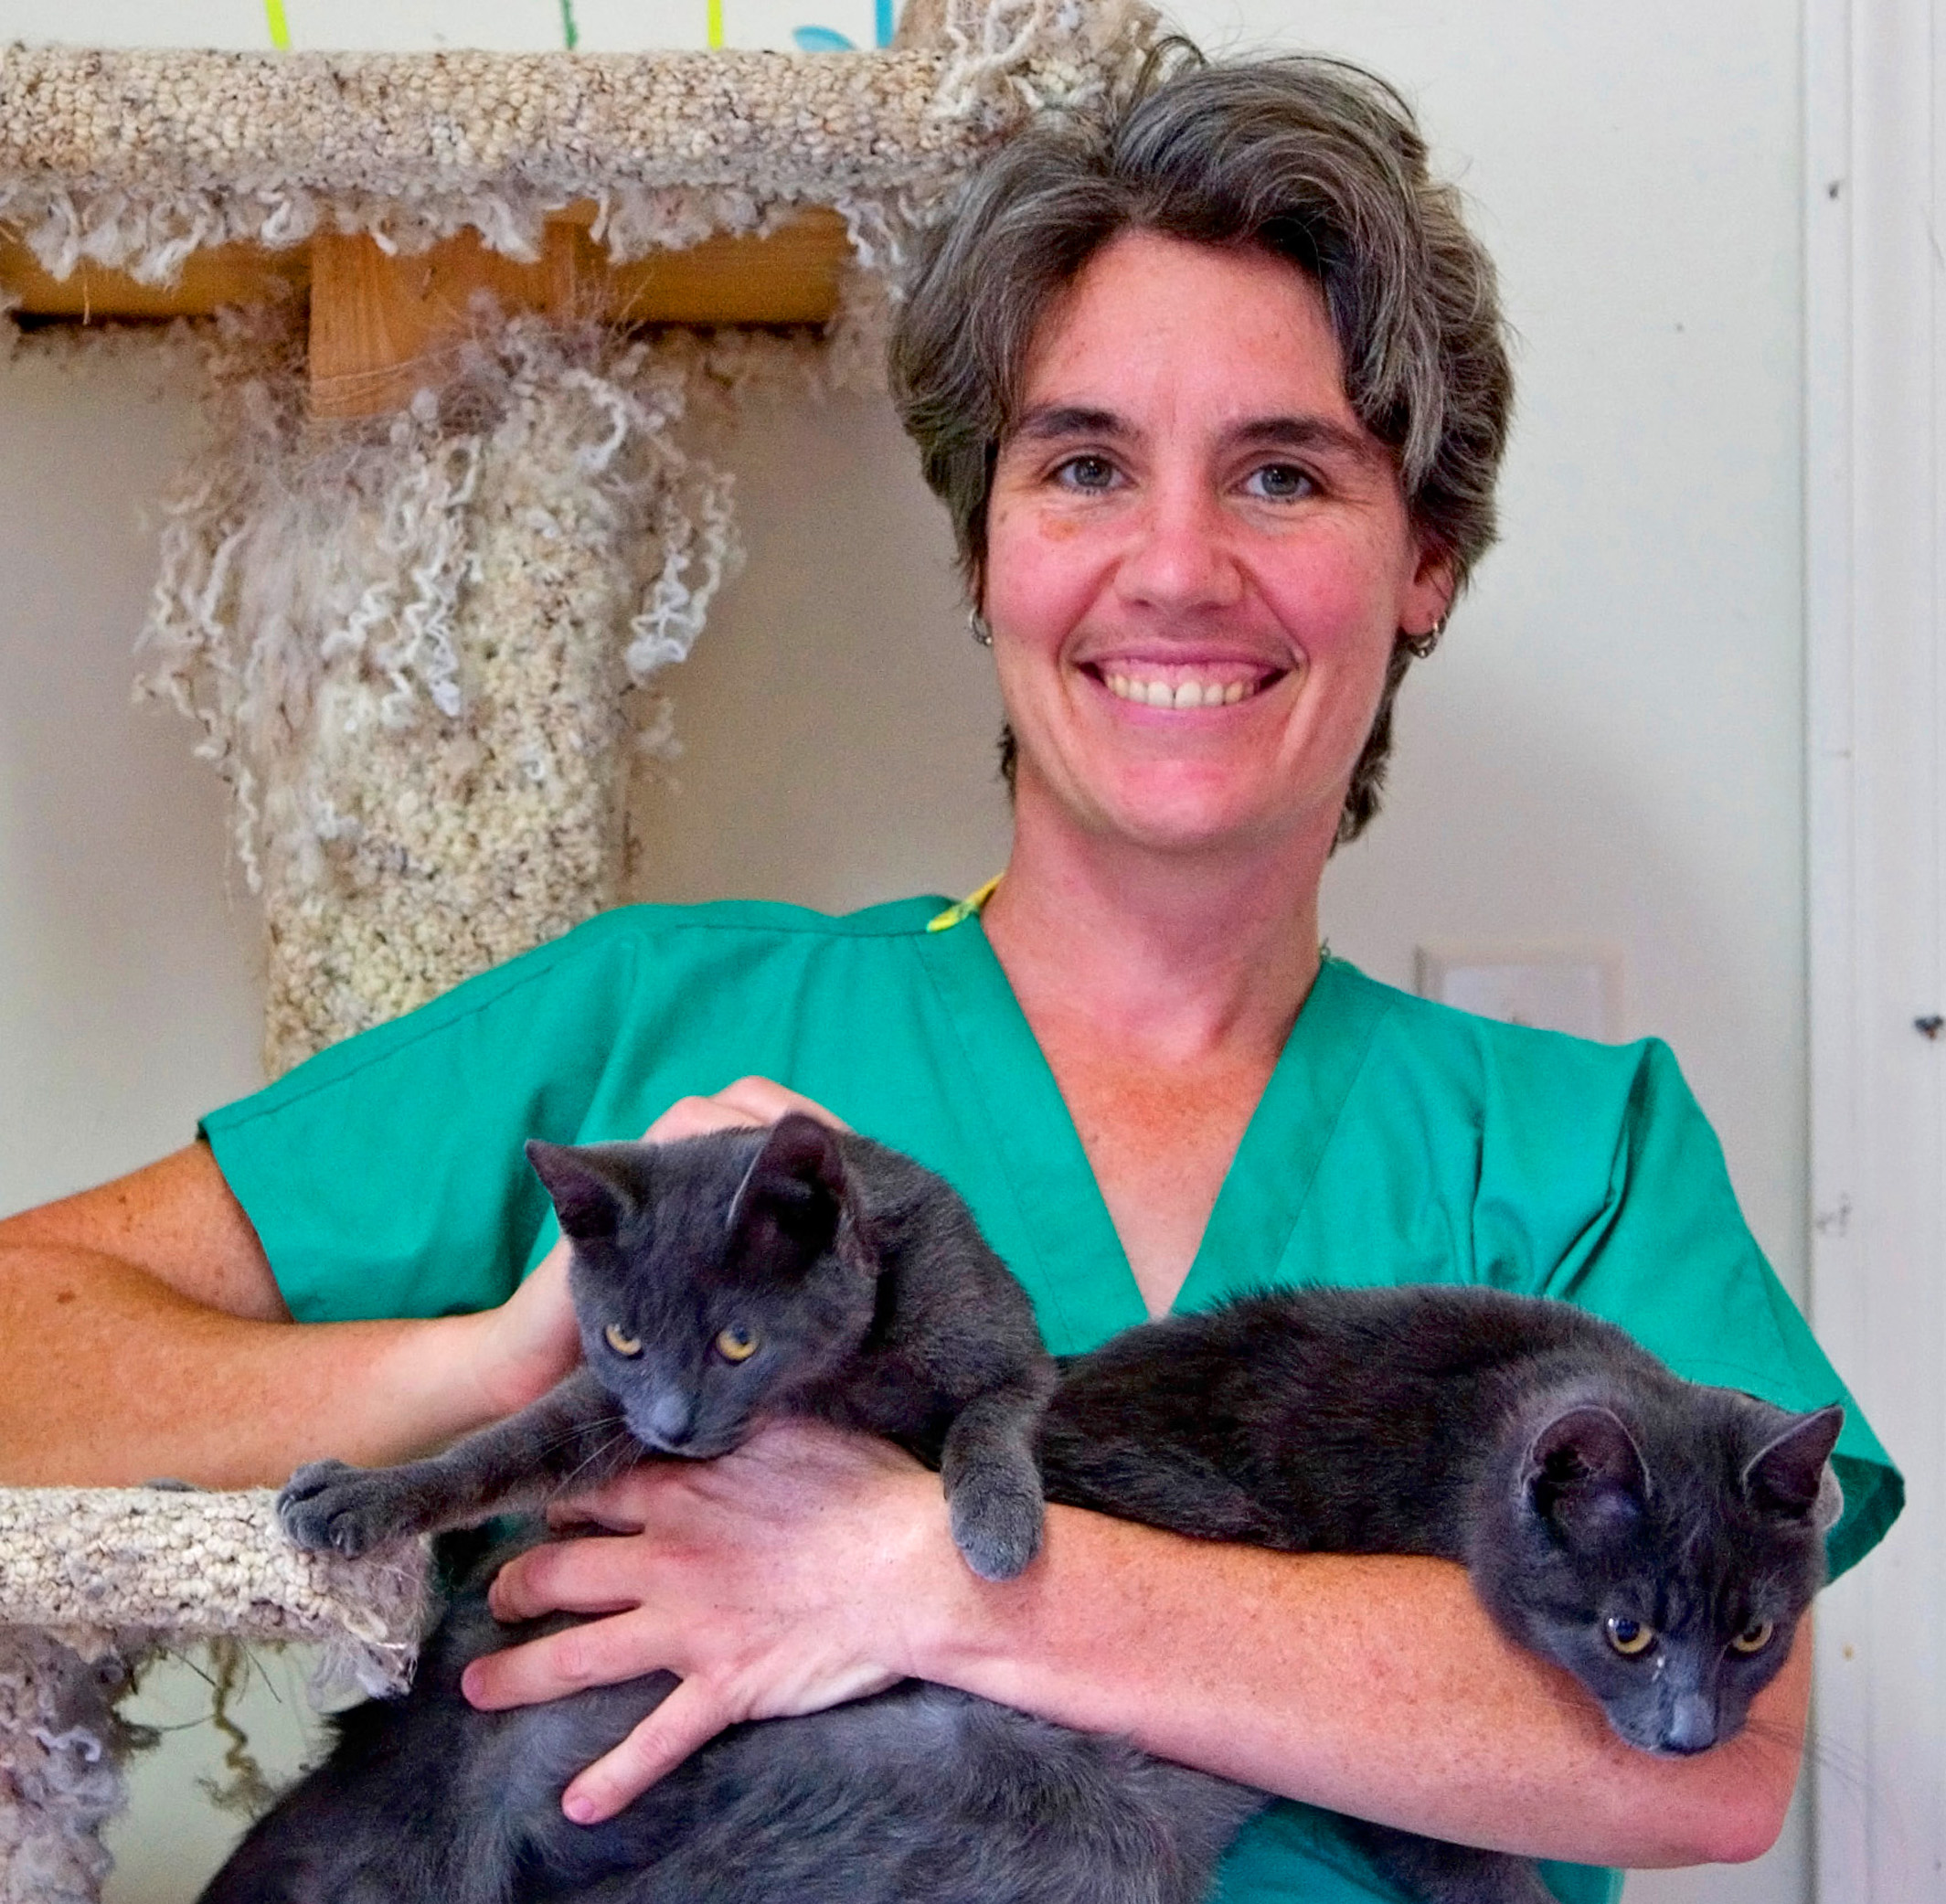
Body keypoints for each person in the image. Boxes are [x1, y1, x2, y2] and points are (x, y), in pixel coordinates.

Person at [0, 52, 1898, 1904]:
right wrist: (483, 1360)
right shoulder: (655, 1028)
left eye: (1285, 476)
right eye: (1083, 465)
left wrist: (932, 1575)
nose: (1175, 566)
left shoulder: (1571, 1150)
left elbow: (1711, 1758)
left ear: (1429, 562)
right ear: (983, 548)